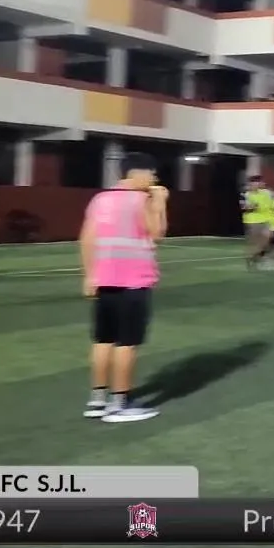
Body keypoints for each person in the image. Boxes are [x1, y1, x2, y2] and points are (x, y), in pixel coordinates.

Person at [80, 152, 167, 423]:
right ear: (138, 173)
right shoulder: (143, 199)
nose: (154, 180)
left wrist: (89, 275)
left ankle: (97, 400)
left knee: (103, 340)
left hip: (105, 279)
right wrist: (160, 202)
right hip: (134, 279)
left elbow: (87, 238)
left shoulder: (100, 199)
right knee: (127, 343)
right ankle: (120, 404)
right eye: (152, 174)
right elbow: (157, 233)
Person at [241, 175, 273, 269]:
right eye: (254, 183)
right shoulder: (247, 194)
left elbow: (273, 201)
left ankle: (256, 256)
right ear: (250, 184)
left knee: (267, 239)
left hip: (266, 220)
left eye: (258, 182)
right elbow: (244, 207)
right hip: (253, 220)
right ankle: (250, 258)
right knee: (254, 242)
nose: (256, 185)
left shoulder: (266, 193)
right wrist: (252, 207)